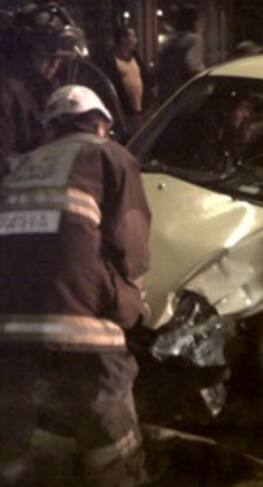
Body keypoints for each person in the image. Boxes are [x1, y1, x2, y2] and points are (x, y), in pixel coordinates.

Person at [0, 85, 157, 484]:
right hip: (84, 325)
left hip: (10, 326)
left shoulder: (19, 167)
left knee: (19, 418)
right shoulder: (110, 156)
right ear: (101, 123)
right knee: (107, 414)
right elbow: (132, 247)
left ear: (51, 128)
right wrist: (129, 305)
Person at [0, 9, 75, 178]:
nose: (54, 65)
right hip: (15, 187)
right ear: (25, 52)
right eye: (47, 56)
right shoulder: (7, 91)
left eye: (59, 59)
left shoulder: (46, 87)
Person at [96, 25, 153, 134]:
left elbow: (145, 78)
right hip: (125, 113)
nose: (136, 40)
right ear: (123, 39)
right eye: (133, 36)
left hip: (142, 110)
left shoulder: (135, 57)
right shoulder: (110, 60)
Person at [158, 3, 205, 102]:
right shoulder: (193, 40)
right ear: (194, 21)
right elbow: (193, 66)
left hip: (166, 94)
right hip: (184, 93)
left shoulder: (169, 39)